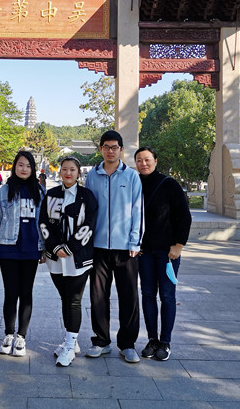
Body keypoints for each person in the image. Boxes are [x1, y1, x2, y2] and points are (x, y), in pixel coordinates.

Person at [84, 130, 143, 363]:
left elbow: (138, 210)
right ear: (101, 149)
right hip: (98, 247)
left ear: (121, 150)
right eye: (106, 147)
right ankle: (101, 341)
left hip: (125, 247)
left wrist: (135, 240)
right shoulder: (93, 175)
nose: (111, 151)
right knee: (98, 296)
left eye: (115, 147)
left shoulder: (131, 176)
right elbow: (87, 209)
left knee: (129, 296)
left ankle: (127, 344)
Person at [40, 156, 98, 367]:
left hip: (78, 257)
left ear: (78, 173)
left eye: (72, 169)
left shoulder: (87, 196)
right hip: (56, 257)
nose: (68, 173)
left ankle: (70, 345)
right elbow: (43, 222)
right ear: (60, 171)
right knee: (65, 298)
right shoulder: (51, 194)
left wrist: (70, 247)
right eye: (64, 169)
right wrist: (55, 247)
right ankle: (70, 340)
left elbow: (89, 225)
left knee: (73, 299)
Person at [135, 147, 191, 361]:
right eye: (139, 160)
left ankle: (165, 342)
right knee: (147, 294)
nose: (143, 163)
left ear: (156, 161)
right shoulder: (134, 183)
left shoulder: (169, 184)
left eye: (147, 159)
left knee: (167, 295)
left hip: (168, 252)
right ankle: (152, 340)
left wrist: (179, 245)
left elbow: (184, 216)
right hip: (144, 252)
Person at [0, 151, 45, 357]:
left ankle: (21, 336)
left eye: (28, 166)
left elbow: (44, 222)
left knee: (26, 293)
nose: (24, 169)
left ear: (33, 169)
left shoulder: (40, 191)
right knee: (11, 293)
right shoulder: (4, 190)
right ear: (14, 167)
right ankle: (8, 334)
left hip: (31, 249)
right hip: (8, 247)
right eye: (20, 165)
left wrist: (44, 248)